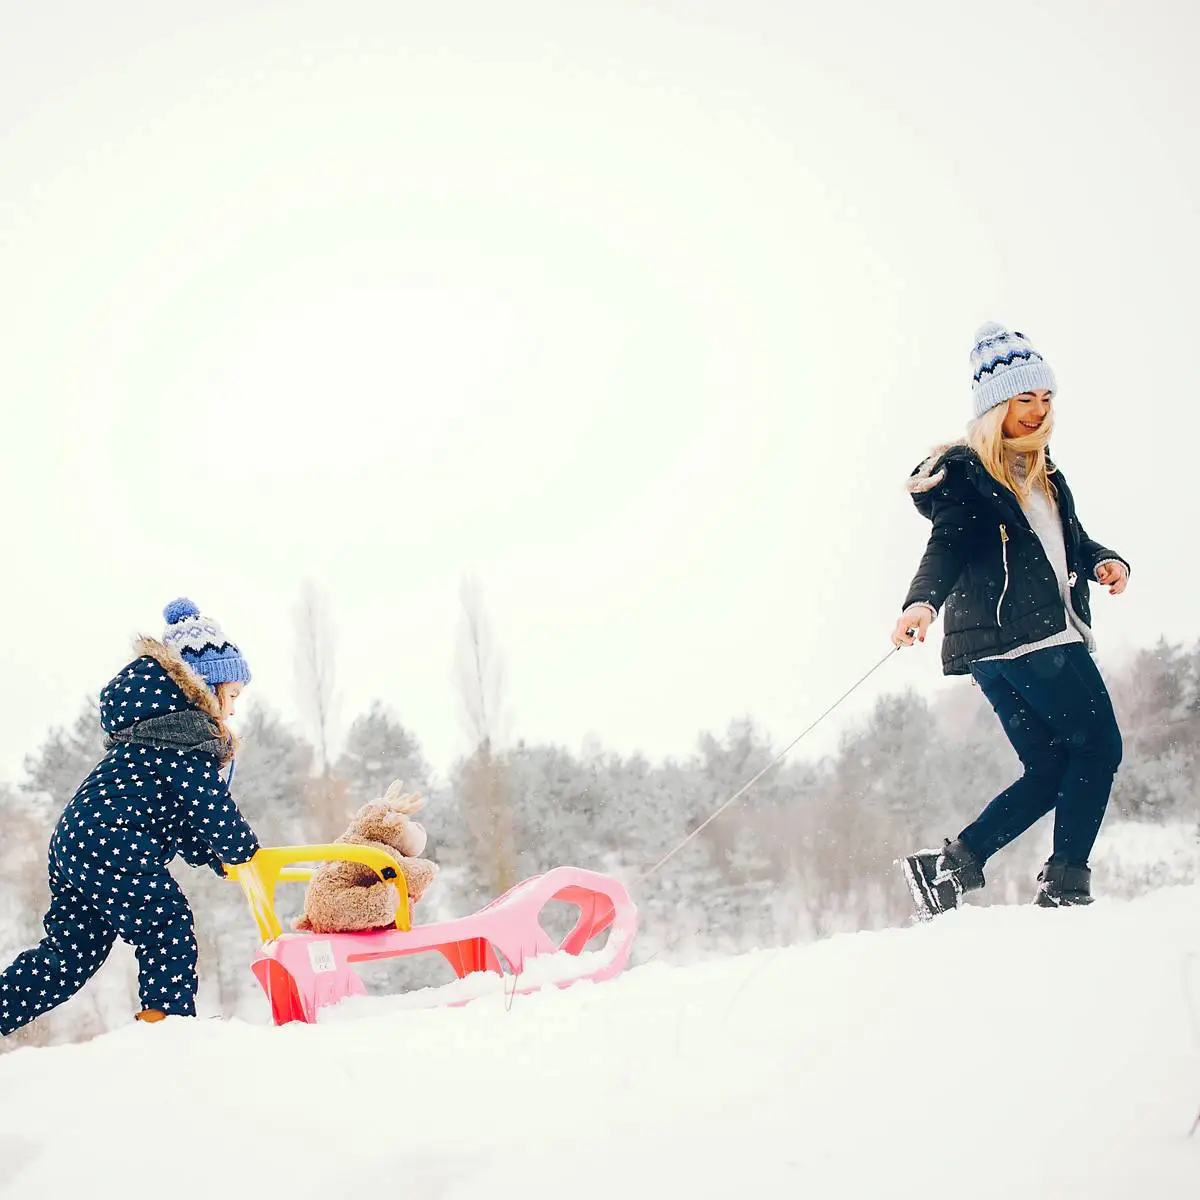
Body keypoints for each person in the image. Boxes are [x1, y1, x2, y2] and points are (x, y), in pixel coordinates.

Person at [893, 323, 1128, 917]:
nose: (1037, 410)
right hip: (1033, 639)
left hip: (996, 654)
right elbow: (945, 546)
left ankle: (948, 870)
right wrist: (921, 604)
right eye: (1024, 399)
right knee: (1099, 747)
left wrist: (1102, 560)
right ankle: (1067, 882)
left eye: (1045, 399)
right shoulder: (972, 477)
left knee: (1052, 768)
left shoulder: (1042, 474)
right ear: (995, 405)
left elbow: (1065, 543)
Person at [0, 598, 261, 1035]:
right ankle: (168, 1027)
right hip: (112, 838)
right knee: (167, 924)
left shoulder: (153, 732)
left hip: (79, 840)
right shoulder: (183, 733)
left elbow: (178, 820)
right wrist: (246, 853)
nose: (233, 710)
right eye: (232, 696)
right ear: (206, 688)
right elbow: (208, 805)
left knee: (69, 955)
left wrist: (219, 860)